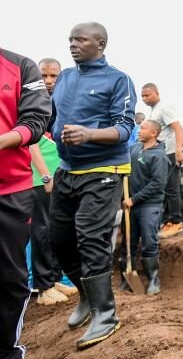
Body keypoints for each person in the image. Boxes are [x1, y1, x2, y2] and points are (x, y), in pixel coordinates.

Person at [50, 22, 135, 349]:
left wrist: (88, 134)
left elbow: (125, 128)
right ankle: (86, 296)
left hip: (104, 168)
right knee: (58, 239)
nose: (73, 44)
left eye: (80, 39)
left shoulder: (118, 80)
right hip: (67, 170)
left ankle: (106, 313)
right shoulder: (66, 78)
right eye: (70, 38)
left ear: (99, 44)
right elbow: (53, 118)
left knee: (89, 235)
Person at [0, 48, 50, 359]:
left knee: (9, 276)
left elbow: (37, 118)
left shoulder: (20, 67)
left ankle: (6, 350)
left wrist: (5, 139)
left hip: (9, 191)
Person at [28, 58, 76, 306]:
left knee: (57, 227)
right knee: (42, 228)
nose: (48, 81)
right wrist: (46, 174)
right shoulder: (32, 101)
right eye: (44, 76)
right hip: (40, 175)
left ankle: (55, 276)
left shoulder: (59, 102)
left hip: (59, 173)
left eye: (53, 76)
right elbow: (31, 140)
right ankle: (43, 285)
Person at [121, 120, 168, 295]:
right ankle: (126, 279)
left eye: (143, 128)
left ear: (154, 133)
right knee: (128, 243)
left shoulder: (159, 156)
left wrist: (135, 199)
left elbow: (158, 183)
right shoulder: (133, 149)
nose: (139, 130)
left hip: (149, 205)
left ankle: (153, 280)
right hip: (129, 205)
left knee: (149, 242)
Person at [140, 83, 183, 238]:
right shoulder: (153, 111)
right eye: (143, 96)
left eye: (148, 95)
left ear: (157, 93)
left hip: (170, 153)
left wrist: (179, 150)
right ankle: (167, 222)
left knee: (172, 189)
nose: (145, 99)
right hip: (160, 154)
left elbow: (178, 128)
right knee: (164, 188)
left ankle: (176, 222)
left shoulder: (164, 108)